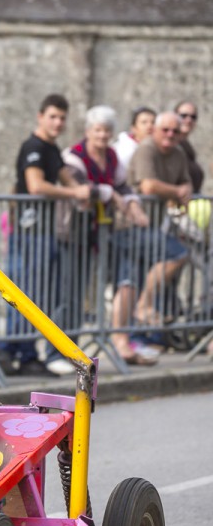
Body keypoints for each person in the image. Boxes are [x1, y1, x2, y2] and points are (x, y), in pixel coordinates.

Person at [0, 93, 90, 378]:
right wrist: (75, 192)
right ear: (40, 116)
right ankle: (8, 349)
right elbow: (35, 186)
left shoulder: (51, 148)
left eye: (62, 118)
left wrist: (81, 191)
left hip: (44, 234)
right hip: (29, 233)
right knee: (27, 293)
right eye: (53, 116)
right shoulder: (33, 146)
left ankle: (23, 353)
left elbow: (64, 175)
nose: (58, 122)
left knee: (39, 296)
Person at [60, 105, 153, 366]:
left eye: (107, 131)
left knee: (112, 283)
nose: (102, 135)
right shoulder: (73, 156)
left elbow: (123, 184)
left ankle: (98, 342)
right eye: (97, 130)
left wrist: (132, 203)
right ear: (88, 131)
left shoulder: (112, 156)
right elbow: (82, 189)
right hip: (75, 231)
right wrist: (110, 194)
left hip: (102, 232)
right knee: (72, 293)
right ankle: (62, 349)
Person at [127, 111, 192, 327]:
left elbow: (187, 185)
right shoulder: (146, 148)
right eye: (165, 129)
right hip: (131, 224)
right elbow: (148, 185)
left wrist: (183, 192)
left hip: (154, 225)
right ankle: (144, 306)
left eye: (175, 131)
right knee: (177, 253)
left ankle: (141, 328)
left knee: (137, 277)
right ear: (155, 129)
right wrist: (177, 192)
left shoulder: (179, 153)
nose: (170, 134)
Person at [174, 100, 203, 193]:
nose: (188, 120)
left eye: (193, 117)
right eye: (183, 116)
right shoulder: (169, 144)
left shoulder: (187, 147)